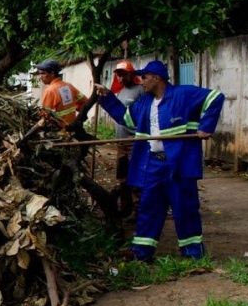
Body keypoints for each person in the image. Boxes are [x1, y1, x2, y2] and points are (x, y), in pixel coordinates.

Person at [94, 60, 224, 261]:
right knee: (149, 207)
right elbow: (126, 119)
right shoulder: (145, 102)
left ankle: (192, 253)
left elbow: (216, 97)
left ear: (157, 78)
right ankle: (142, 252)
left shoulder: (183, 94)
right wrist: (107, 98)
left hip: (178, 163)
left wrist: (206, 125)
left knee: (184, 207)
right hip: (152, 163)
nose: (141, 81)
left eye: (144, 77)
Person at [110, 60, 143, 215]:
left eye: (124, 75)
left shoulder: (140, 91)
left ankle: (139, 211)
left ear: (131, 74)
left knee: (136, 178)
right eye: (118, 75)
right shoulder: (121, 92)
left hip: (134, 142)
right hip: (121, 142)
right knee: (122, 178)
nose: (121, 78)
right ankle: (125, 209)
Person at [35, 59, 87, 127]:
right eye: (39, 73)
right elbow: (85, 101)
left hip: (59, 131)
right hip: (72, 127)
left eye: (43, 73)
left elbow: (45, 116)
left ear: (52, 73)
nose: (40, 77)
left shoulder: (50, 91)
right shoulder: (69, 86)